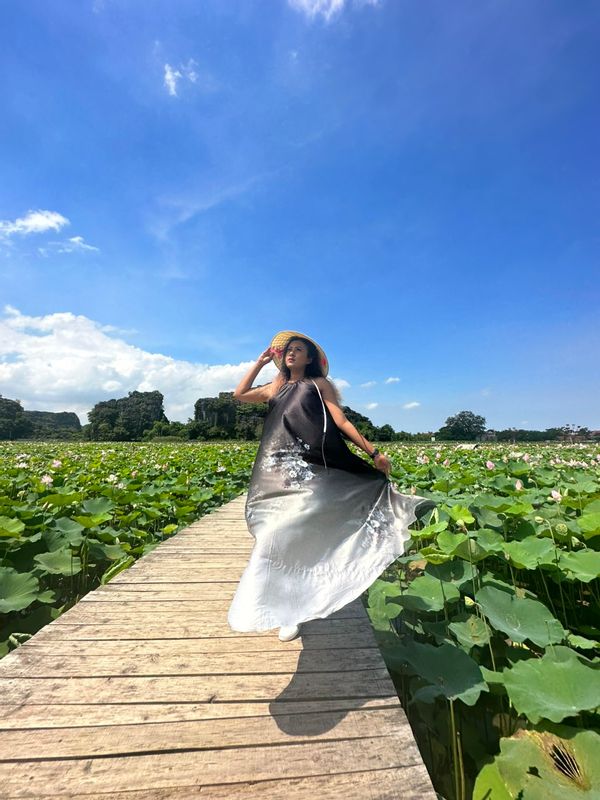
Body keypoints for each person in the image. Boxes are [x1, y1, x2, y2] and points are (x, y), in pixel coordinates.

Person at [227, 330, 435, 642]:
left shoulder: (318, 384)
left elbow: (341, 422)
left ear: (310, 358)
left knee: (294, 529)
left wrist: (374, 452)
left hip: (310, 466)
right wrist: (259, 362)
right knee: (271, 532)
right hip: (276, 469)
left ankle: (293, 610)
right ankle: (283, 605)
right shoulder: (276, 386)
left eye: (299, 350)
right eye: (288, 350)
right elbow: (239, 394)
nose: (292, 353)